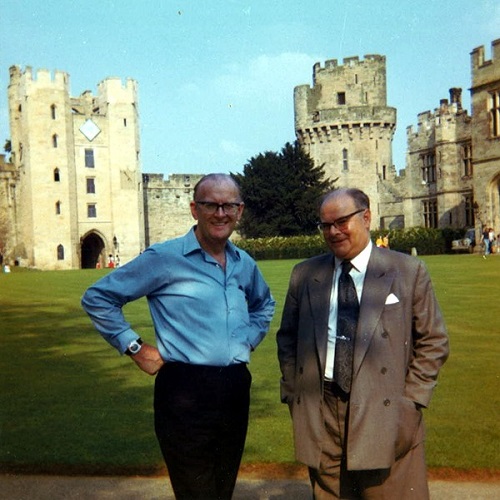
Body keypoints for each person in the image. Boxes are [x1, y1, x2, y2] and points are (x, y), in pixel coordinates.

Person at [82, 173, 275, 499]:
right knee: (197, 492)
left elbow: (263, 304)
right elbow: (98, 298)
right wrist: (135, 347)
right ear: (193, 209)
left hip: (235, 388)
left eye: (229, 205)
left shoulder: (244, 264)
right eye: (210, 204)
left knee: (221, 489)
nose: (220, 213)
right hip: (185, 391)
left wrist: (248, 339)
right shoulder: (164, 258)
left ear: (239, 211)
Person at [277, 188, 449, 499]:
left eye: (342, 222)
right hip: (322, 408)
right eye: (325, 225)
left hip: (382, 407)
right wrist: (293, 392)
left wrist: (411, 403)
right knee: (329, 494)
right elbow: (287, 337)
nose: (333, 232)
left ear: (366, 217)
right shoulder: (305, 274)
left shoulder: (407, 271)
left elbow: (434, 340)